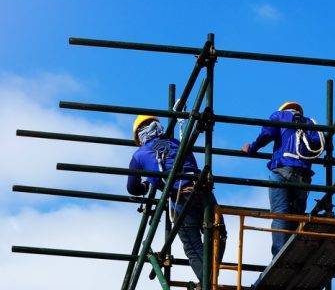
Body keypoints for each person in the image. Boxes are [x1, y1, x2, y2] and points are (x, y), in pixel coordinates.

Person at [127, 115, 227, 283]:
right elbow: (191, 165)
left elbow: (132, 187)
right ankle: (210, 276)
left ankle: (208, 282)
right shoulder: (176, 143)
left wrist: (146, 186)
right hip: (202, 190)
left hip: (180, 197)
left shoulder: (139, 155)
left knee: (192, 245)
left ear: (138, 136)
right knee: (218, 232)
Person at [241, 102, 324, 257]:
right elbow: (319, 144)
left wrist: (251, 148)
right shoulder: (310, 123)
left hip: (282, 168)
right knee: (297, 216)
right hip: (303, 175)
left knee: (280, 214)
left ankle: (279, 256)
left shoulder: (279, 116)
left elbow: (267, 134)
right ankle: (294, 254)